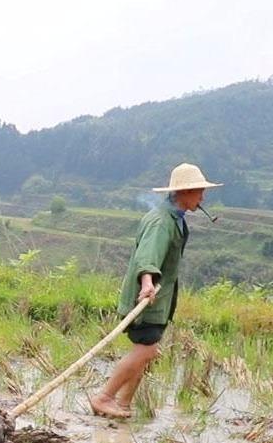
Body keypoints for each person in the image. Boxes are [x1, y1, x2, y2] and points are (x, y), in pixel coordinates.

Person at [89, 162, 221, 419]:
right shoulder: (161, 222)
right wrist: (147, 283)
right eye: (198, 191)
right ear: (183, 192)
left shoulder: (175, 219)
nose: (202, 197)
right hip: (146, 299)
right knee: (147, 350)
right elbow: (147, 256)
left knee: (147, 351)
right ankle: (104, 397)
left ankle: (123, 404)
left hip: (158, 300)